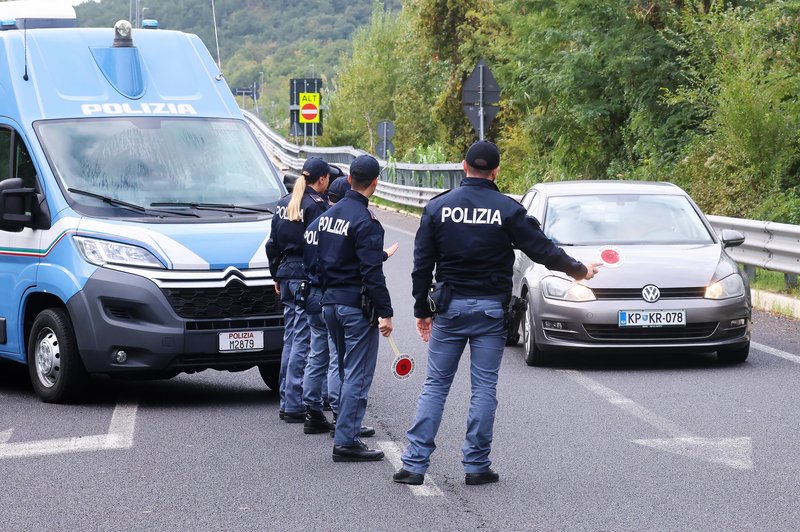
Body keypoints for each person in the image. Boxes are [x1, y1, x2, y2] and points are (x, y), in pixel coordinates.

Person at [393, 141, 601, 486]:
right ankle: (476, 466)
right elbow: (543, 250)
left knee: (434, 387)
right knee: (484, 389)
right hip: (490, 311)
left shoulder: (439, 208)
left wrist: (421, 309)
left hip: (449, 309)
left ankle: (414, 465)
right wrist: (579, 270)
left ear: (463, 166)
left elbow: (421, 266)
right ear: (496, 171)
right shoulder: (507, 209)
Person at [316, 154, 394, 462]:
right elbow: (372, 272)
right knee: (358, 374)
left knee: (344, 368)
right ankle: (347, 439)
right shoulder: (366, 221)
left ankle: (343, 429)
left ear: (349, 179)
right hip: (354, 307)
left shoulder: (327, 216)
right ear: (374, 183)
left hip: (329, 304)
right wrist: (385, 311)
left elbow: (317, 261)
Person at [265, 157, 331, 428]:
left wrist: (276, 275)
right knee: (306, 341)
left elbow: (272, 244)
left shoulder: (284, 203)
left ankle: (287, 400)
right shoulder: (316, 206)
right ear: (323, 179)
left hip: (285, 274)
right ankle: (295, 404)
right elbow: (320, 248)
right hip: (305, 277)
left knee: (291, 339)